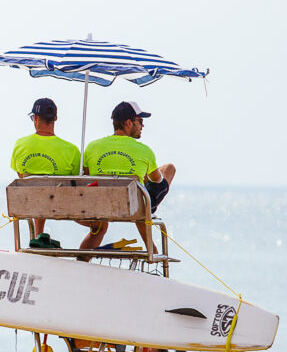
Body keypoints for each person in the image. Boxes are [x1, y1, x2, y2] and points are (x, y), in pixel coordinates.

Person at [81, 101, 176, 252]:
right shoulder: (144, 151)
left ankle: (82, 260)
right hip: (134, 207)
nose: (142, 126)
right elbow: (157, 180)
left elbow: (85, 175)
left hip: (100, 206)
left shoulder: (92, 147)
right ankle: (151, 247)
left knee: (135, 188)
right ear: (128, 123)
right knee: (168, 169)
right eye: (140, 121)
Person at [10, 98, 80, 241]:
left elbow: (22, 177)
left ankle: (37, 236)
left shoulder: (20, 144)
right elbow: (77, 182)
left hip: (32, 203)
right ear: (55, 118)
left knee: (38, 190)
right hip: (64, 207)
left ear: (35, 118)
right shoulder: (71, 150)